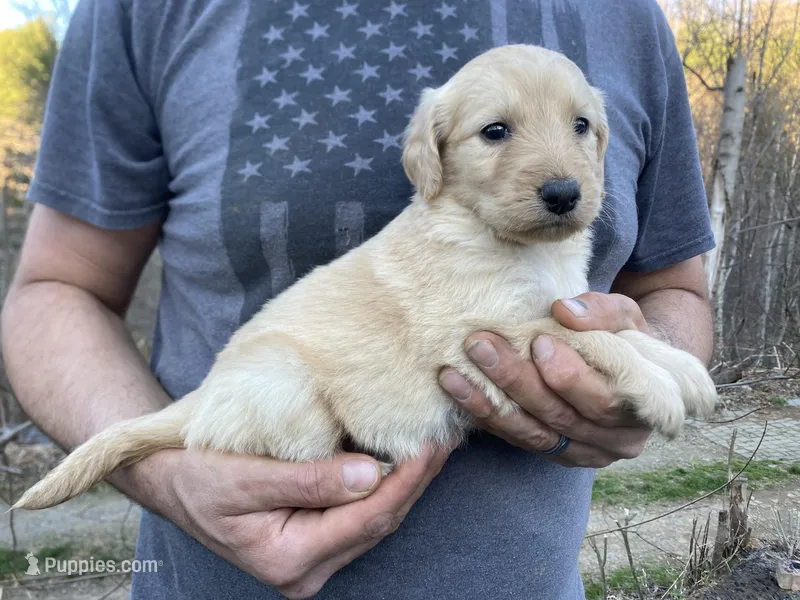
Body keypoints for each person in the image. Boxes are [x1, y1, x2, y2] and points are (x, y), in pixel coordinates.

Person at [1, 0, 715, 598]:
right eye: (496, 133)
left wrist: (655, 358)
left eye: (581, 127)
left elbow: (672, 285)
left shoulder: (630, 16)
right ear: (429, 157)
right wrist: (166, 477)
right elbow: (57, 287)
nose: (559, 171)